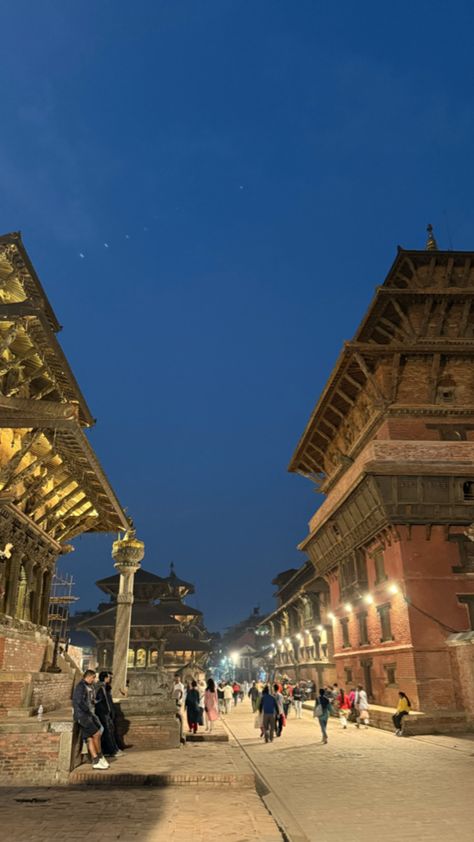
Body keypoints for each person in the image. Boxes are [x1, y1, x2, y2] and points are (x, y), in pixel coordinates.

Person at [72, 669, 109, 770]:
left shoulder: (89, 686)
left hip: (88, 715)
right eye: (93, 678)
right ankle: (100, 756)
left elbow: (89, 699)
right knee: (96, 734)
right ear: (88, 677)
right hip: (83, 716)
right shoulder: (80, 686)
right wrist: (87, 711)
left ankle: (96, 760)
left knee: (90, 738)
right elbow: (78, 701)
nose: (94, 680)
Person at [94, 671, 123, 757]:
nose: (110, 679)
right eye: (109, 677)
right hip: (103, 713)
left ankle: (112, 749)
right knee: (107, 731)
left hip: (106, 713)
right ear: (105, 678)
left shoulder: (105, 687)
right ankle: (112, 751)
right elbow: (100, 701)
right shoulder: (100, 687)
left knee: (109, 731)